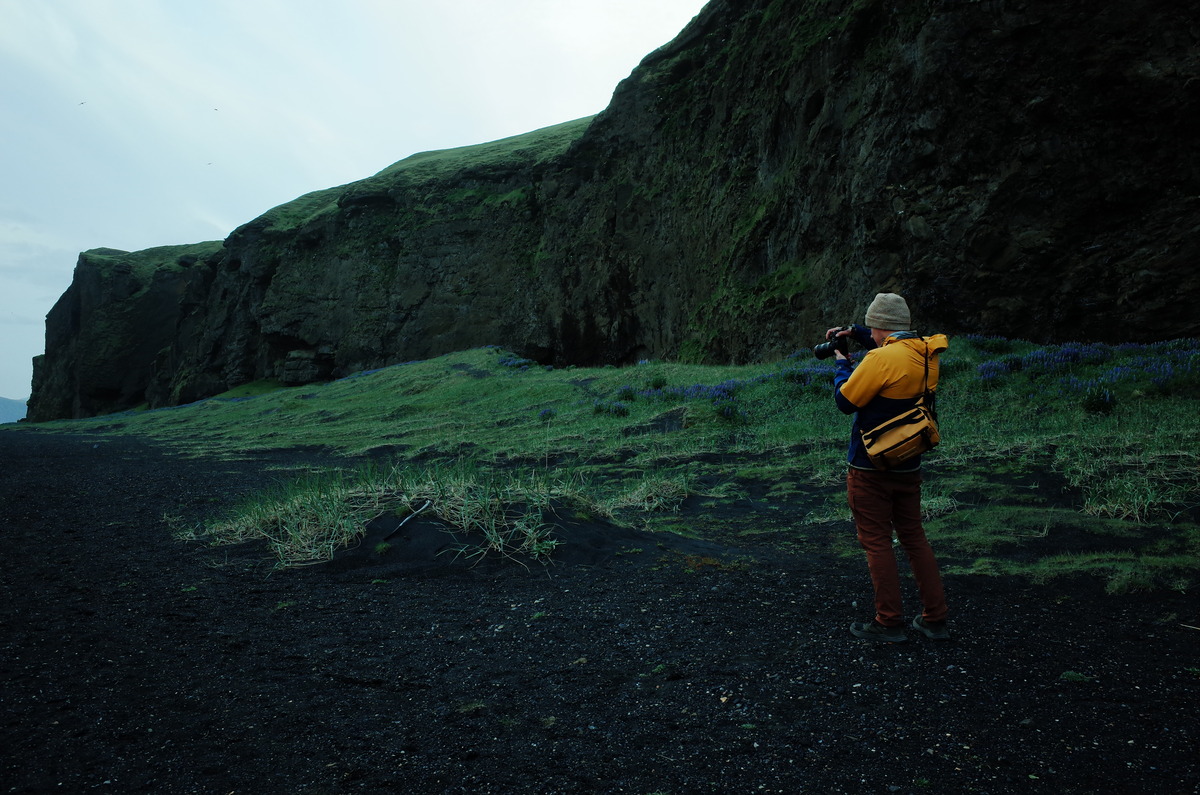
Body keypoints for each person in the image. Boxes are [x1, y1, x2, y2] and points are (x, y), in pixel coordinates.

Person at [827, 293, 951, 643]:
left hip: (869, 465)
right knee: (914, 537)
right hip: (908, 461)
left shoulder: (879, 359)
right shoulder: (926, 353)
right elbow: (889, 343)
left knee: (877, 542)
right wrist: (854, 331)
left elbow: (844, 401)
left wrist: (841, 364)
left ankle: (888, 621)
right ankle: (935, 618)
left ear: (879, 327)